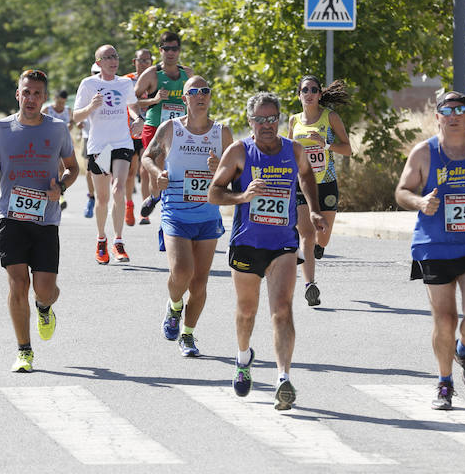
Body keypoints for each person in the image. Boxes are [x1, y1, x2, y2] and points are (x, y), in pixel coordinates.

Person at [209, 92, 327, 410]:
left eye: (271, 118)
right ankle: (244, 357)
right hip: (247, 242)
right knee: (247, 311)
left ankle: (283, 379)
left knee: (282, 310)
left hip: (283, 245)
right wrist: (241, 197)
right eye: (259, 119)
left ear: (278, 120)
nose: (266, 125)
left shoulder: (294, 150)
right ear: (251, 122)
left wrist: (313, 209)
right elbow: (214, 193)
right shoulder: (239, 152)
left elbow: (307, 175)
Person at [394, 91, 465, 410]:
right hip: (434, 246)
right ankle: (444, 383)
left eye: (461, 109)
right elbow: (402, 191)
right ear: (438, 116)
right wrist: (419, 202)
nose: (454, 114)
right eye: (448, 110)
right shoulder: (424, 153)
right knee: (444, 320)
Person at [0, 69, 79, 373]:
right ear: (17, 95)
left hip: (46, 218)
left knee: (44, 290)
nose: (30, 98)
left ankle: (45, 307)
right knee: (18, 283)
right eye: (26, 92)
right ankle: (24, 350)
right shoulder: (0, 128)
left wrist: (63, 186)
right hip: (10, 216)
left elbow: (72, 167)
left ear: (44, 99)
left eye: (37, 93)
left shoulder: (57, 129)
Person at [143, 76, 233, 357]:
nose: (200, 95)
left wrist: (221, 168)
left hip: (208, 216)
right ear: (185, 99)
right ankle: (173, 306)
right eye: (193, 91)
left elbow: (237, 173)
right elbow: (147, 156)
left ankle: (188, 334)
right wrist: (157, 174)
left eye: (205, 91)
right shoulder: (170, 128)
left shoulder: (222, 133)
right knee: (182, 272)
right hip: (176, 213)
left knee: (199, 283)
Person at [72, 45, 141, 264]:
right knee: (102, 199)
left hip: (121, 142)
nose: (113, 60)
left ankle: (118, 241)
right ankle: (101, 239)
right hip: (100, 146)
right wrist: (91, 107)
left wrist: (137, 119)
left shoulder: (124, 83)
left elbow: (132, 106)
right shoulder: (89, 84)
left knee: (118, 189)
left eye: (115, 56)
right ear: (99, 62)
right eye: (108, 57)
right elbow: (76, 117)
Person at [286, 77, 352, 307]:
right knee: (306, 233)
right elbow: (288, 152)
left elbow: (348, 149)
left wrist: (325, 144)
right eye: (305, 90)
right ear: (299, 95)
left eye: (314, 89)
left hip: (326, 183)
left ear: (320, 94)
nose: (310, 93)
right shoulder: (293, 121)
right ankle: (310, 285)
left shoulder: (330, 117)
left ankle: (319, 248)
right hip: (302, 184)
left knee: (322, 237)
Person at [134, 32, 194, 221]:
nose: (170, 53)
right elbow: (132, 100)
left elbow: (201, 98)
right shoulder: (152, 74)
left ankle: (166, 204)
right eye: (166, 49)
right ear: (161, 50)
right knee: (158, 168)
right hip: (154, 128)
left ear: (179, 51)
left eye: (174, 49)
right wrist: (155, 99)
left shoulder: (188, 74)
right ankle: (156, 198)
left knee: (179, 169)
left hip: (179, 129)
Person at [124, 49, 153, 226]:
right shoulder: (127, 80)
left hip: (150, 127)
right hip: (131, 128)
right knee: (130, 172)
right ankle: (129, 205)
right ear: (134, 61)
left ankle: (145, 210)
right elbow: (127, 102)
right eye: (140, 60)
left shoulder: (156, 78)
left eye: (147, 60)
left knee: (145, 170)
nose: (143, 63)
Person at [43, 89, 74, 210]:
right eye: (59, 102)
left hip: (63, 143)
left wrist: (68, 126)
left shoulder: (68, 110)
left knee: (61, 169)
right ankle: (52, 193)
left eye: (63, 102)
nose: (60, 105)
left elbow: (71, 124)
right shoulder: (47, 110)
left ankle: (59, 193)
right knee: (52, 169)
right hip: (48, 144)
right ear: (54, 99)